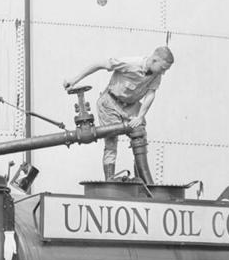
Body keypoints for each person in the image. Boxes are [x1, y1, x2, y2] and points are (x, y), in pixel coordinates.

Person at [63, 46, 175, 181]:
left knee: (139, 133)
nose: (163, 73)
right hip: (110, 103)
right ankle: (110, 180)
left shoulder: (156, 74)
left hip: (131, 106)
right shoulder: (131, 63)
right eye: (163, 68)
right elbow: (99, 64)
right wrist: (74, 79)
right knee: (111, 140)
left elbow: (151, 94)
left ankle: (143, 180)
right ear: (154, 60)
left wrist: (140, 116)